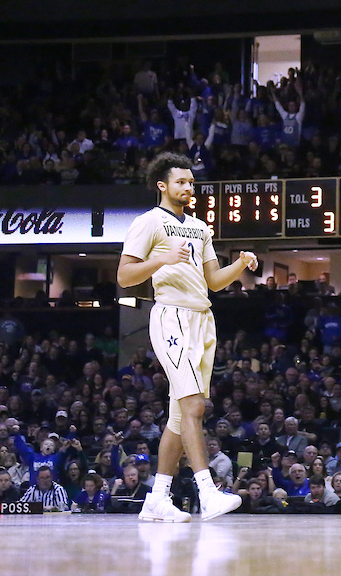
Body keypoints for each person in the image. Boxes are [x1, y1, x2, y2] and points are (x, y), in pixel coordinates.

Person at [118, 152, 258, 522]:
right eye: (181, 182)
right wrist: (161, 260)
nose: (188, 188)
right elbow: (125, 276)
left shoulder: (200, 227)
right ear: (162, 186)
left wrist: (240, 264)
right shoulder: (149, 222)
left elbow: (213, 281)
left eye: (191, 182)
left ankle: (156, 499)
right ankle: (207, 492)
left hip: (202, 319)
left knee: (180, 418)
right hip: (171, 317)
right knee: (195, 406)